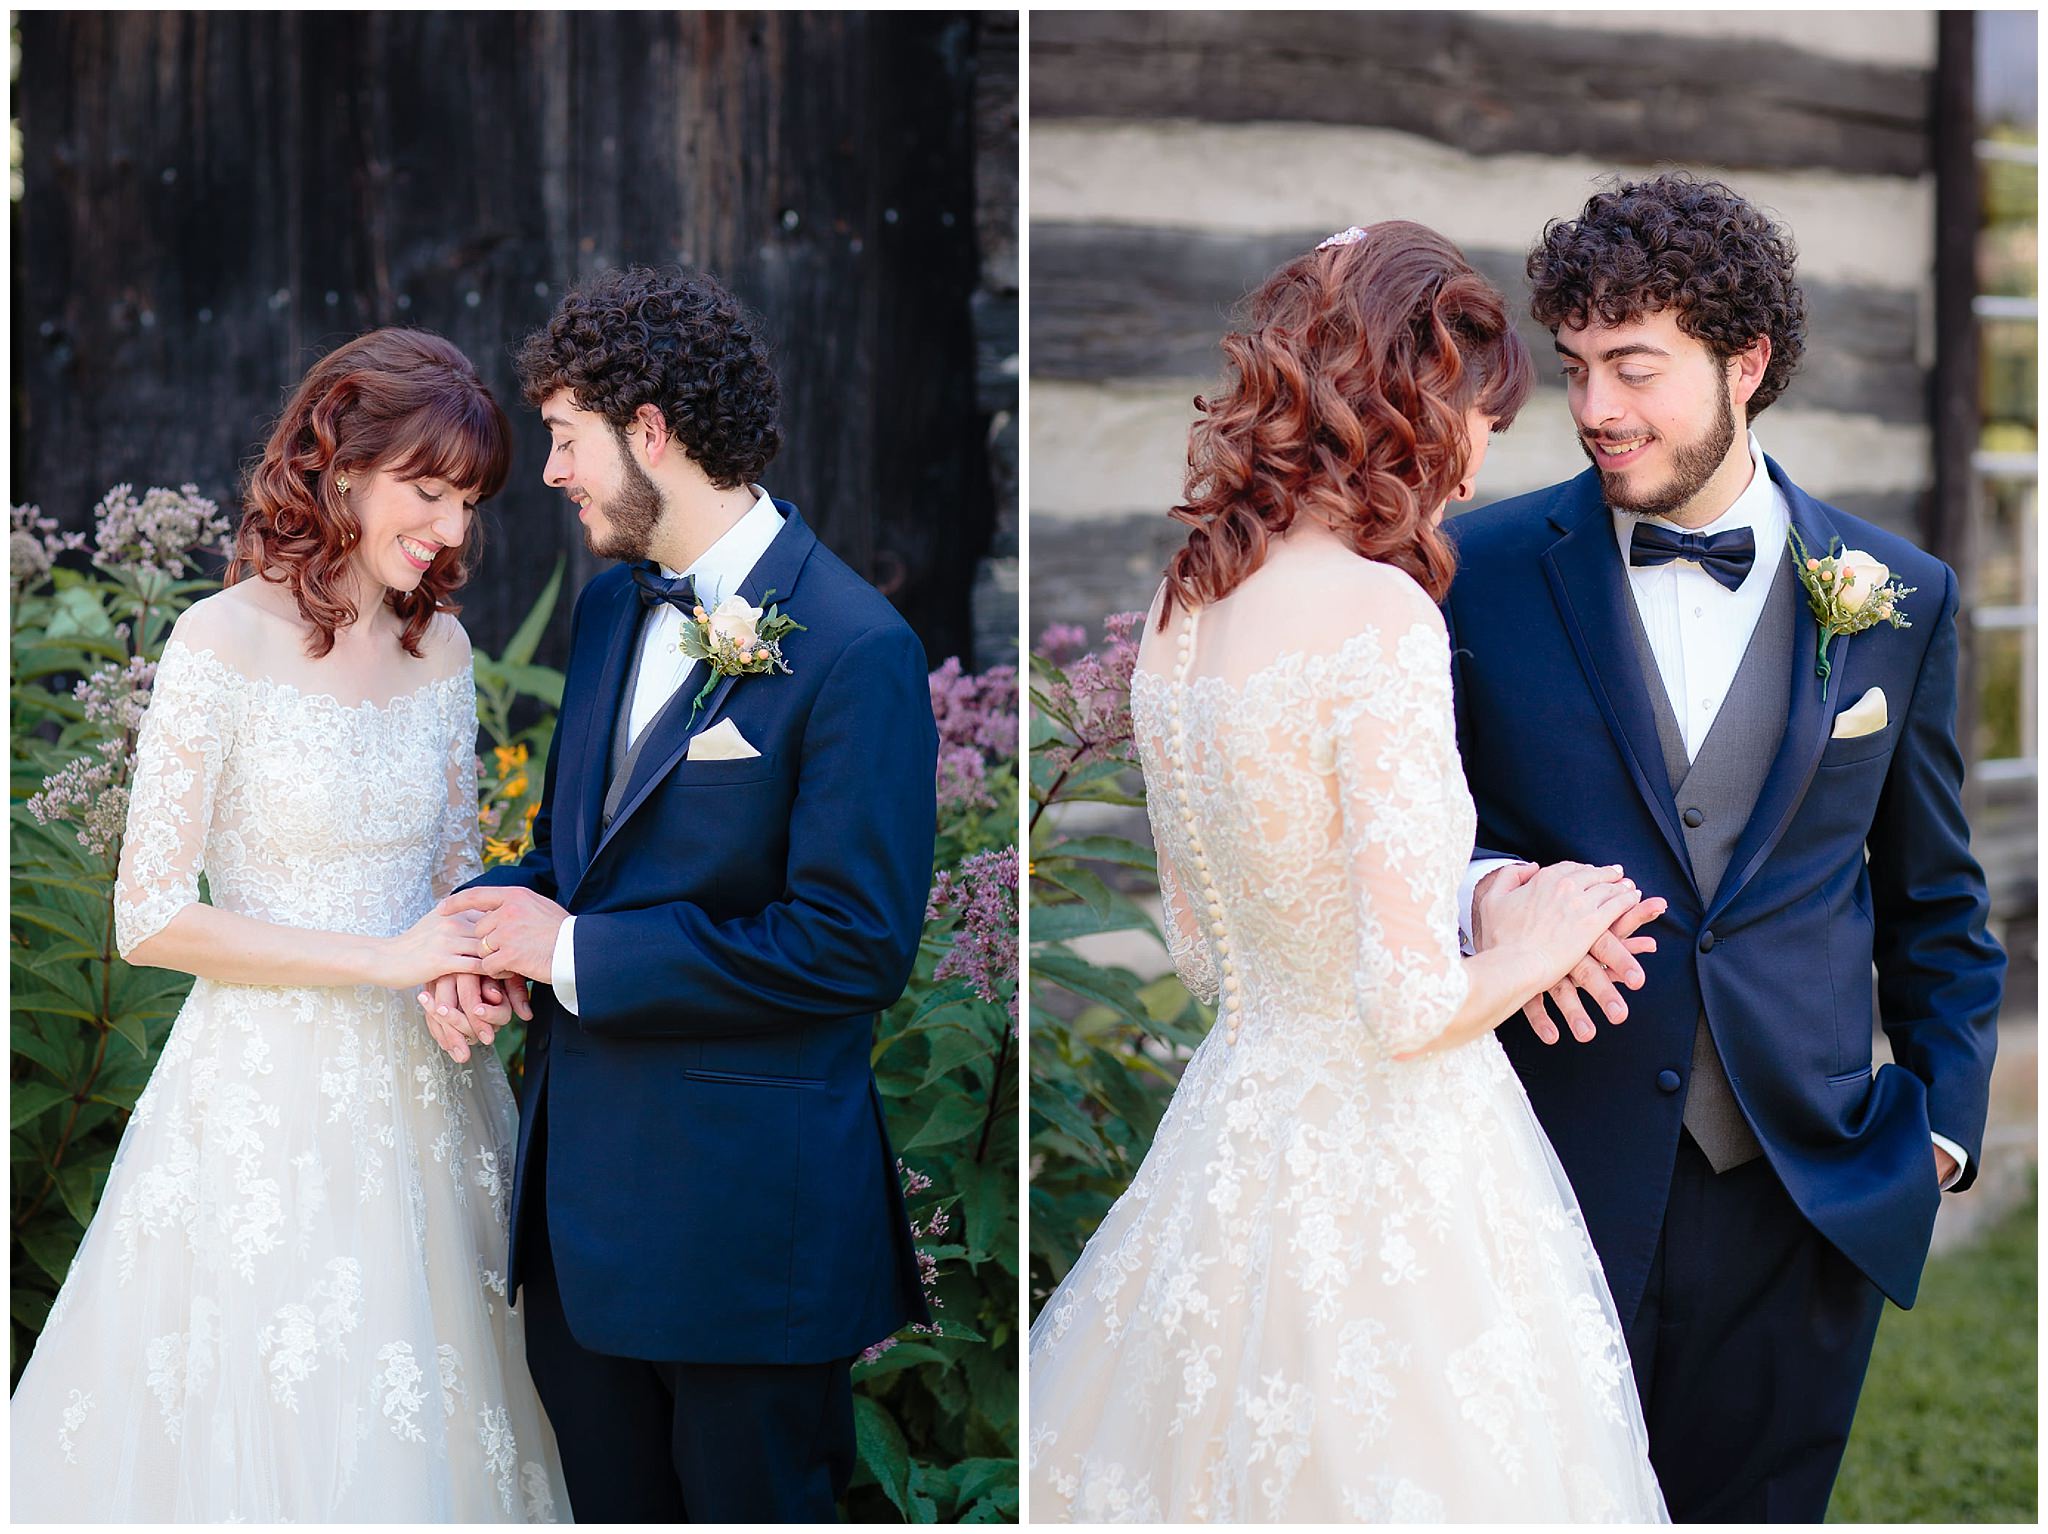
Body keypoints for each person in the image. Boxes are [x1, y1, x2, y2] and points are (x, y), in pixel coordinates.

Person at [1028, 222, 1668, 1521]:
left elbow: (1204, 957)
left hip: (1236, 1128)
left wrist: (1480, 898)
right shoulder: (1381, 619)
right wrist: (1544, 936)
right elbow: (1408, 1006)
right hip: (1398, 1165)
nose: (1488, 451)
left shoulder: (1185, 605)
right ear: (1415, 404)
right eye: (1482, 410)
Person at [1449, 173, 2004, 1521]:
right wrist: (1485, 892)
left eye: (1635, 366)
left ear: (1746, 363)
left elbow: (1938, 902)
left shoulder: (1898, 596)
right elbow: (1414, 835)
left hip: (1801, 1191)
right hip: (1543, 1171)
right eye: (1576, 366)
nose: (1594, 408)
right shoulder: (1477, 568)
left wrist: (1935, 1140)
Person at [8, 329, 569, 1521]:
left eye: (468, 499)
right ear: (339, 466)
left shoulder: (448, 646)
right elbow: (150, 918)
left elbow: (451, 881)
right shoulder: (220, 640)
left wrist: (459, 974)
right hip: (262, 1105)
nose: (454, 529)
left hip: (430, 1109)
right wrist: (386, 960)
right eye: (428, 490)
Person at [417, 265, 937, 1522]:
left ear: (650, 431)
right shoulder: (609, 613)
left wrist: (577, 955)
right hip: (583, 1230)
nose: (549, 471)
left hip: (747, 1250)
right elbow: (570, 864)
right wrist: (480, 932)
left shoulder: (857, 647)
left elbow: (851, 947)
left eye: (564, 437)